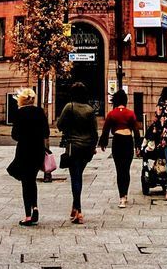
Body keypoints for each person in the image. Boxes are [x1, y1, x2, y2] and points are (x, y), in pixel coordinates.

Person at [56, 82, 99, 224]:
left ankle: (79, 211)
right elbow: (94, 132)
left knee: (76, 178)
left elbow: (60, 125)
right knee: (78, 176)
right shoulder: (90, 109)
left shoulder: (69, 107)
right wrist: (93, 147)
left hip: (74, 147)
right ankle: (75, 208)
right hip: (87, 148)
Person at [10, 88, 49, 226]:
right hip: (38, 150)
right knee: (32, 180)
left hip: (24, 150)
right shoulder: (39, 112)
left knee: (26, 182)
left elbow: (14, 135)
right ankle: (35, 207)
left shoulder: (19, 113)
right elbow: (46, 133)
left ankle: (27, 215)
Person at [99, 90, 142, 208]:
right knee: (126, 169)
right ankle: (125, 195)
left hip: (117, 141)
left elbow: (105, 130)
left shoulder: (112, 114)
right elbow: (136, 131)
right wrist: (138, 146)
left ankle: (121, 197)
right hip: (128, 141)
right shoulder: (130, 113)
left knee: (119, 170)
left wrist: (103, 143)